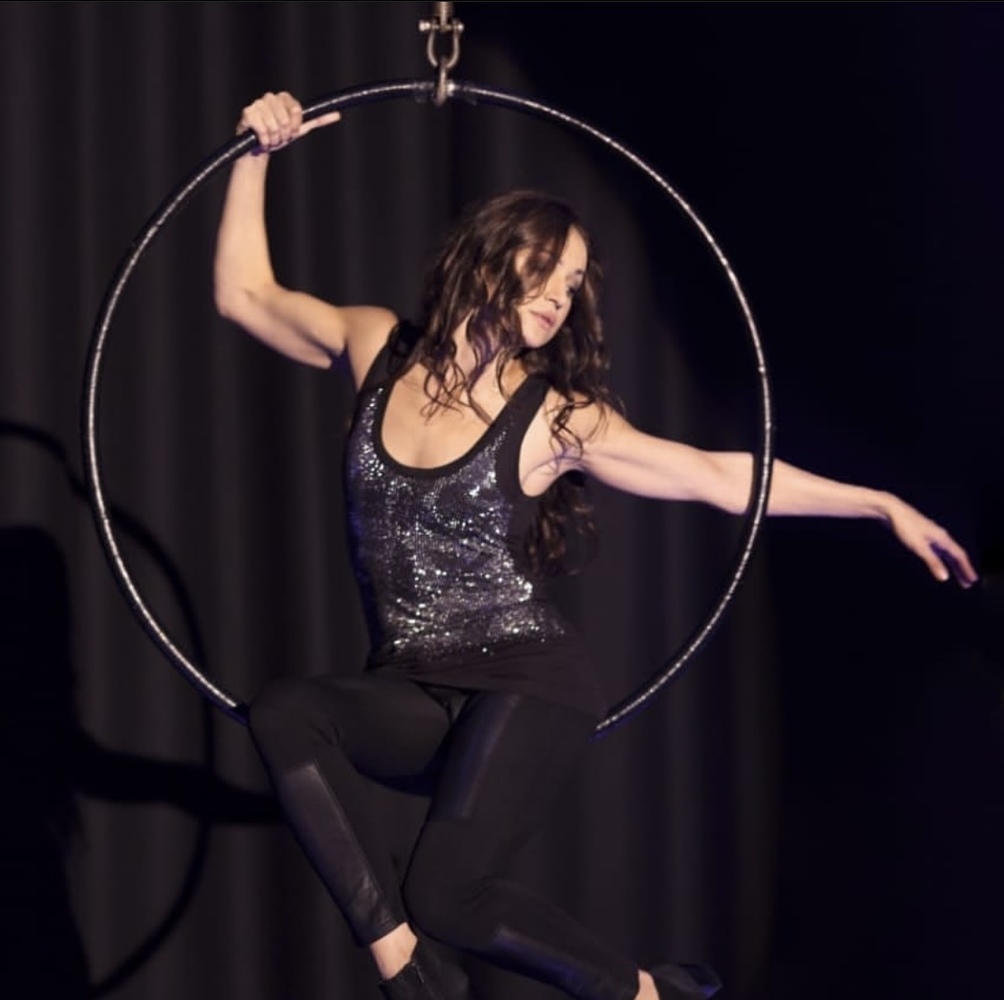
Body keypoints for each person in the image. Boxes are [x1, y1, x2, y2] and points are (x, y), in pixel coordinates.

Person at [213, 92, 977, 1000]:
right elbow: (244, 296)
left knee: (449, 892)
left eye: (573, 283)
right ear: (490, 255)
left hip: (524, 679)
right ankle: (409, 969)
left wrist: (876, 503)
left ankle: (639, 996)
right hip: (410, 684)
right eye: (546, 269)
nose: (558, 295)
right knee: (284, 711)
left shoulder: (556, 419)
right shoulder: (375, 345)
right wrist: (255, 156)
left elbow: (717, 476)